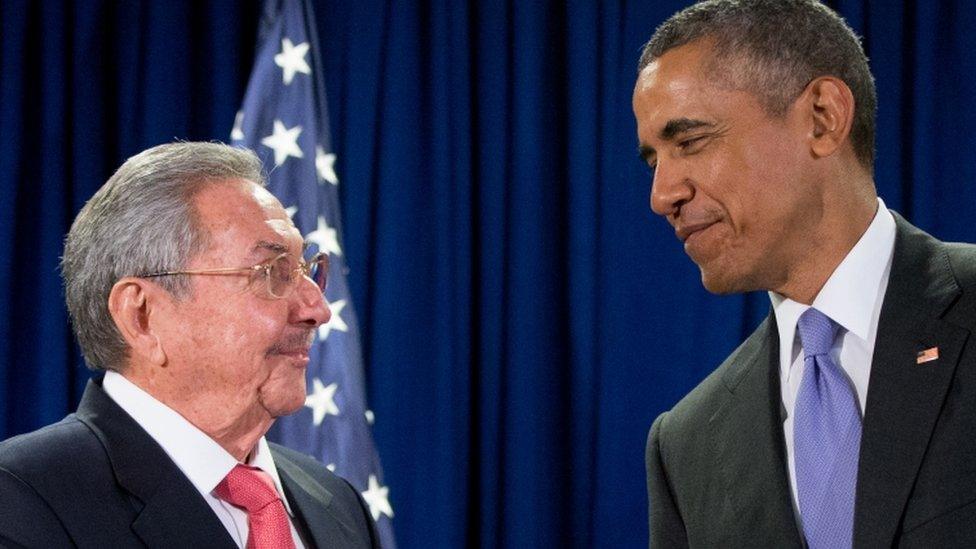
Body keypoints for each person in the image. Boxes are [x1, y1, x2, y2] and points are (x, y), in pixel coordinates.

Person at [633, 1, 976, 547]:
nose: (662, 196)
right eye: (654, 161)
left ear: (822, 117)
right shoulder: (686, 445)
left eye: (690, 142)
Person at [0, 142, 379, 548]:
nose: (317, 309)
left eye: (307, 270)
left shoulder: (336, 504)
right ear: (142, 316)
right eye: (272, 272)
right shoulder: (23, 503)